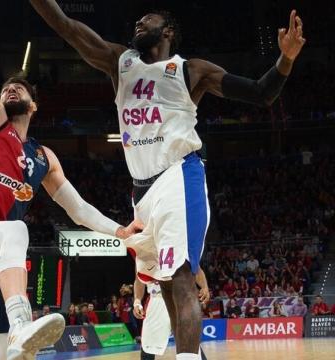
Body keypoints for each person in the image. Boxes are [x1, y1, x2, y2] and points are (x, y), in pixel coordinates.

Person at [29, 1, 305, 358]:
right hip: (140, 190)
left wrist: (286, 59)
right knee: (165, 282)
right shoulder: (120, 61)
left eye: (150, 19)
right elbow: (66, 26)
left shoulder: (191, 70)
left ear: (169, 31)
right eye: (139, 19)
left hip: (178, 174)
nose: (140, 22)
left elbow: (260, 92)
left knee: (180, 277)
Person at [0, 2, 143, 359]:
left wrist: (119, 231)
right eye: (6, 88)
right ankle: (21, 322)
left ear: (34, 106)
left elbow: (78, 209)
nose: (11, 90)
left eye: (20, 89)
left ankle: (17, 336)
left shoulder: (43, 158)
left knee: (12, 355)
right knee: (16, 230)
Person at [131, 258, 209, 360]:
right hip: (158, 299)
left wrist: (205, 286)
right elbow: (139, 280)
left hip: (182, 297)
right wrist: (137, 301)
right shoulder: (144, 249)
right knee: (148, 346)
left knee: (190, 342)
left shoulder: (181, 245)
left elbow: (196, 268)